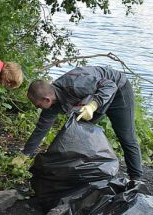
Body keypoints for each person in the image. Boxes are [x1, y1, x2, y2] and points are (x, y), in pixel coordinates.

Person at [15, 66, 143, 180]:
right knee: (80, 133)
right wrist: (25, 154)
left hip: (118, 91)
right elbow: (41, 130)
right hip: (93, 97)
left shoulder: (74, 84)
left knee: (126, 137)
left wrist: (93, 105)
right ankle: (87, 172)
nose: (38, 108)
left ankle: (136, 179)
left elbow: (110, 85)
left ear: (46, 99)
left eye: (38, 105)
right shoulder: (51, 104)